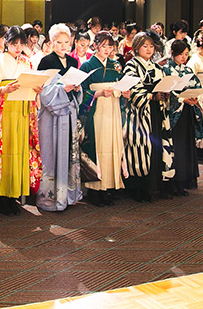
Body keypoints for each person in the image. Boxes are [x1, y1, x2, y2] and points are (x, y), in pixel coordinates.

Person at [0, 26, 42, 216]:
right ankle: (2, 196)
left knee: (20, 151)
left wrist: (37, 89)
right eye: (14, 43)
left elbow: (33, 84)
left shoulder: (27, 62)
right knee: (6, 153)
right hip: (5, 112)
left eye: (21, 44)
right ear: (6, 43)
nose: (18, 47)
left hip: (22, 110)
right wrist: (3, 89)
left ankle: (14, 194)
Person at [35, 24, 83, 211]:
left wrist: (77, 88)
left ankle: (68, 195)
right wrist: (62, 89)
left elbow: (77, 86)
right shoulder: (45, 61)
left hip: (68, 111)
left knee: (69, 152)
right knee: (51, 152)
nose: (63, 46)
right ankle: (49, 198)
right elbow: (43, 91)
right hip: (51, 115)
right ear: (51, 42)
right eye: (59, 42)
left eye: (66, 42)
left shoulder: (73, 61)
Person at [122, 31, 172, 202]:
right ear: (136, 48)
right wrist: (151, 96)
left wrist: (166, 93)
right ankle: (137, 188)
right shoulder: (131, 65)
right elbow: (132, 89)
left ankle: (153, 185)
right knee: (138, 148)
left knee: (155, 147)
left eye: (151, 46)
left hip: (156, 112)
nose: (149, 49)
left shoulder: (157, 67)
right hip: (139, 114)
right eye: (145, 46)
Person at [78, 32, 126, 207]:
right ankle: (95, 188)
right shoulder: (87, 66)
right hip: (97, 110)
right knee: (98, 146)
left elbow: (122, 84)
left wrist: (125, 92)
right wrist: (97, 93)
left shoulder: (115, 65)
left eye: (109, 46)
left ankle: (109, 186)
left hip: (113, 107)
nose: (107, 49)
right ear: (95, 46)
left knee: (112, 145)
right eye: (103, 46)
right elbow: (80, 91)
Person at [164, 40, 203, 195]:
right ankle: (173, 182)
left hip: (187, 111)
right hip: (175, 112)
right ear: (173, 53)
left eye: (186, 54)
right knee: (176, 145)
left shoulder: (187, 69)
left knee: (186, 145)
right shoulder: (166, 69)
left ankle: (184, 180)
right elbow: (167, 90)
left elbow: (197, 85)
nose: (184, 57)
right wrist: (182, 99)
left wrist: (194, 97)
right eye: (181, 54)